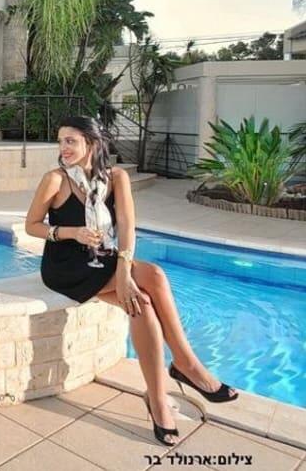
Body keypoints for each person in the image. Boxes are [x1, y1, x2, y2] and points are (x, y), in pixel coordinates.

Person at [25, 116, 237, 446]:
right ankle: (186, 365)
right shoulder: (55, 179)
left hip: (104, 260)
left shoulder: (117, 178)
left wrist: (123, 272)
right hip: (65, 267)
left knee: (143, 303)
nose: (63, 148)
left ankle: (158, 399)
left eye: (71, 141)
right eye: (61, 141)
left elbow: (126, 226)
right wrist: (71, 232)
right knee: (154, 276)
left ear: (91, 144)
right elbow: (32, 225)